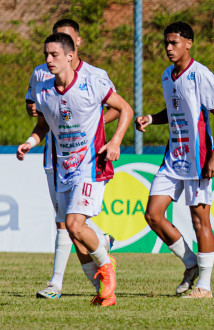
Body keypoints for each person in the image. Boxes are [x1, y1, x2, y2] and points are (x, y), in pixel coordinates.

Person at [17, 32, 134, 306]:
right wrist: (30, 142)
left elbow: (125, 109)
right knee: (74, 232)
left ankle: (106, 267)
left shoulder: (92, 82)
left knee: (73, 224)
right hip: (63, 167)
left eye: (54, 54)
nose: (48, 60)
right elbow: (44, 124)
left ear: (70, 56)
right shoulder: (43, 89)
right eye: (46, 54)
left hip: (91, 165)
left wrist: (115, 140)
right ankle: (104, 291)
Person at [134, 21, 214, 299]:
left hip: (198, 159)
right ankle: (191, 264)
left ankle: (205, 287)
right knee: (153, 214)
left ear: (189, 43)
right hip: (173, 157)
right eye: (166, 43)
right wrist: (152, 118)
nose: (168, 48)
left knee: (200, 221)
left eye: (174, 42)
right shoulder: (167, 75)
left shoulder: (201, 74)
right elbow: (174, 109)